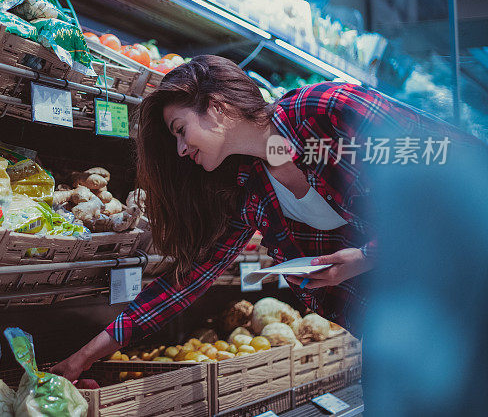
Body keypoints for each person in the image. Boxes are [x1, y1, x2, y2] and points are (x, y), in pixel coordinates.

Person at [51, 54, 479, 382]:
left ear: (216, 106)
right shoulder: (248, 187)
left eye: (180, 129)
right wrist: (86, 355)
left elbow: (450, 179)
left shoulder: (326, 111)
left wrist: (366, 256)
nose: (180, 150)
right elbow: (187, 281)